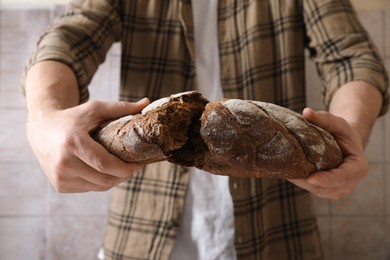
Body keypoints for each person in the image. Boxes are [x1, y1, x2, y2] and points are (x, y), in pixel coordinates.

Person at [21, 0, 388, 259]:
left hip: (275, 231)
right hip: (142, 234)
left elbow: (351, 57)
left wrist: (349, 133)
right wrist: (44, 118)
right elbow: (68, 39)